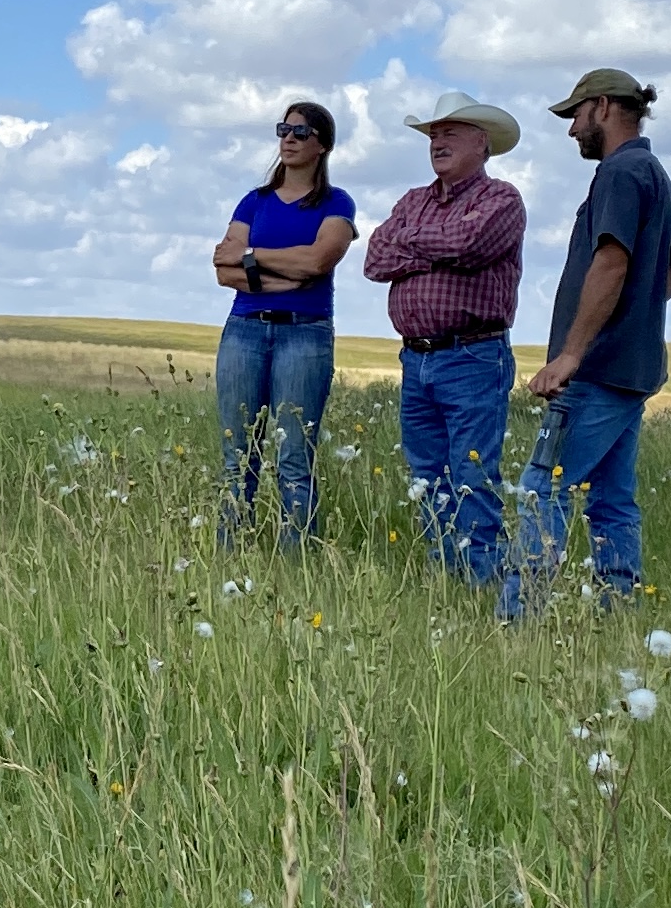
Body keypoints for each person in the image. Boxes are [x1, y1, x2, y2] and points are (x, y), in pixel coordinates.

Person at [506, 68, 671, 617]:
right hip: (629, 370)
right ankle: (618, 610)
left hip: (595, 372)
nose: (572, 131)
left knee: (543, 490)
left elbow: (611, 261)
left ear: (605, 106)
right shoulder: (652, 172)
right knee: (612, 501)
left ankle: (519, 620)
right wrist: (639, 315)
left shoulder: (620, 173)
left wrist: (571, 354)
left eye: (576, 116)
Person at [361, 98, 525, 587]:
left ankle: (479, 581)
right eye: (434, 134)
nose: (437, 142)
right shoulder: (414, 199)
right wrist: (434, 239)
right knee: (427, 476)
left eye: (451, 133)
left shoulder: (502, 199)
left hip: (472, 354)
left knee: (473, 477)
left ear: (483, 143)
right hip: (417, 358)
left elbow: (467, 246)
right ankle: (445, 578)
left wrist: (412, 242)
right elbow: (374, 259)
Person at [210, 100, 356, 548]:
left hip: (305, 334)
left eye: (301, 132)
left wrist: (253, 259)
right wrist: (284, 274)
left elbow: (317, 260)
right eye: (284, 129)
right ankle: (230, 552)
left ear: (323, 145)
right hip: (245, 331)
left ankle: (297, 560)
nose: (289, 138)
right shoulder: (254, 201)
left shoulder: (336, 203)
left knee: (294, 453)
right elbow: (223, 269)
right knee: (238, 452)